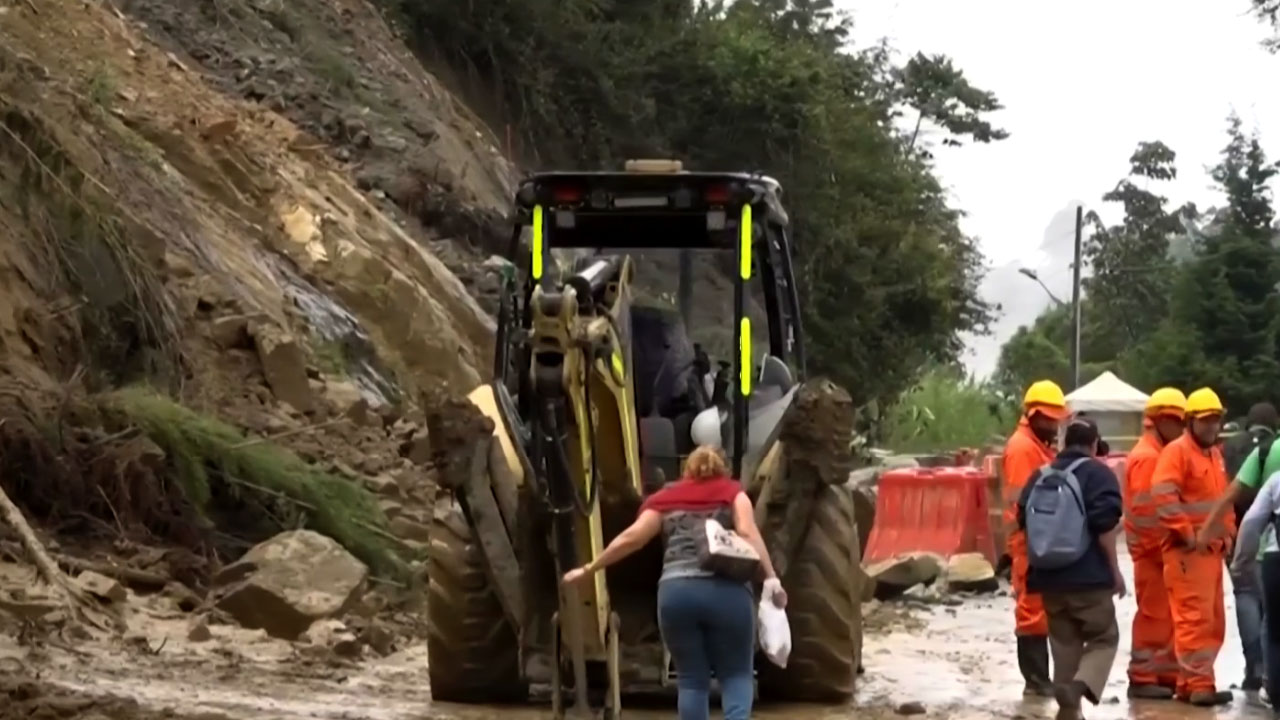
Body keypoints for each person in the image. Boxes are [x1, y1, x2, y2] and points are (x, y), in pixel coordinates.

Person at [561, 445, 784, 720]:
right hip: (727, 594)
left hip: (677, 595)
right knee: (736, 674)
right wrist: (771, 578)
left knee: (691, 680)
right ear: (723, 469)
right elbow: (748, 533)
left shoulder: (665, 498)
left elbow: (633, 538)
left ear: (686, 470)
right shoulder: (734, 494)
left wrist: (589, 568)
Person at [1017, 417, 1124, 720]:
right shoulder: (1099, 475)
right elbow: (1105, 528)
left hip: (1048, 579)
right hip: (1088, 579)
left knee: (1064, 643)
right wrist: (1115, 573)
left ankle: (1067, 711)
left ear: (1064, 443)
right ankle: (1079, 687)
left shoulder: (1039, 475)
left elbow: (1023, 521)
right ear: (1093, 444)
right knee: (1104, 637)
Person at [1151, 387, 1235, 706]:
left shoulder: (1214, 455)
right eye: (1206, 421)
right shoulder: (1177, 452)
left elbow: (1221, 501)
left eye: (1215, 420)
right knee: (1193, 621)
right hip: (1188, 553)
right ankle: (1200, 684)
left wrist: (1228, 534)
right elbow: (1163, 497)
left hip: (1209, 552)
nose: (1212, 426)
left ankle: (1190, 684)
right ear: (1190, 422)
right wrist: (1187, 535)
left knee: (1211, 620)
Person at [1203, 401, 1280, 693]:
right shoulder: (1272, 448)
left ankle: (1256, 668)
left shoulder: (1232, 447)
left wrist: (1208, 531)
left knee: (1247, 596)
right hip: (1270, 533)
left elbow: (1228, 493)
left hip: (1240, 536)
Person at [1002, 379, 1070, 696]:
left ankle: (1042, 679)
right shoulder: (1022, 448)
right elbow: (1023, 502)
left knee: (1042, 610)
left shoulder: (1038, 447)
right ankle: (1036, 680)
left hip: (1041, 541)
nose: (1054, 424)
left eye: (1056, 418)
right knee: (1031, 612)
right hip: (1029, 542)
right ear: (1032, 415)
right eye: (1048, 418)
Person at [1122, 387, 1187, 699]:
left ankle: (1163, 674)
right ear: (1159, 420)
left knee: (1165, 617)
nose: (1180, 429)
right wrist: (1165, 550)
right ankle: (1143, 676)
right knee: (1153, 616)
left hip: (1157, 552)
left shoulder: (1157, 453)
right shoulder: (1148, 458)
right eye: (1175, 422)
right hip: (1152, 553)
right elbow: (1147, 514)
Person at [1231, 466, 1280, 720]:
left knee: (1274, 631)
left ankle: (1276, 693)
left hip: (1276, 559)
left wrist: (1241, 562)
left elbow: (1251, 523)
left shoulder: (1276, 479)